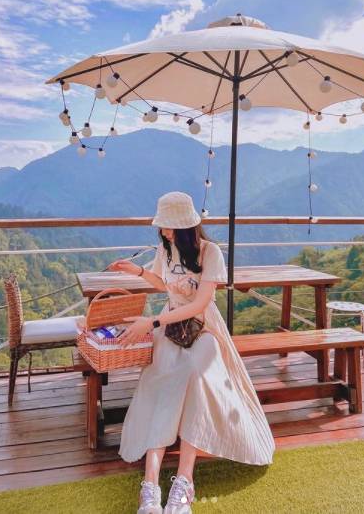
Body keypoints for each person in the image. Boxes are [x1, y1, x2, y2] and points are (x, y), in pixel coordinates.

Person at [107, 191, 275, 514]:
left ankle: (184, 481)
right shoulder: (165, 248)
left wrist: (151, 322)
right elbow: (163, 284)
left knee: (196, 375)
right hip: (171, 325)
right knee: (161, 381)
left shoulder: (210, 253)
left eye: (168, 225)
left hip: (204, 328)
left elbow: (200, 305)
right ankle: (150, 485)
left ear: (184, 226)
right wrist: (137, 272)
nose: (163, 231)